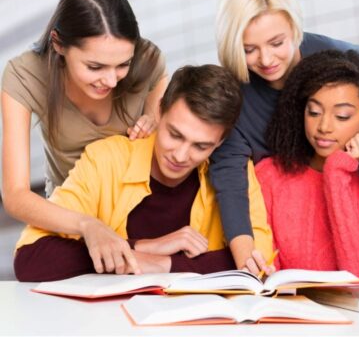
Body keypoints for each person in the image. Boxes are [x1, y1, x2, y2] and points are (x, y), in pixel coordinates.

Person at [13, 65, 273, 282]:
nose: (181, 155)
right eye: (175, 134)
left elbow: (256, 263)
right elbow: (31, 259)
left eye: (200, 146)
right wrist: (139, 249)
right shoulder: (106, 159)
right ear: (159, 111)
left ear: (220, 142)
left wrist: (163, 264)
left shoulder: (234, 172)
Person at [210, 0, 359, 272]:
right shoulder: (234, 96)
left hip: (348, 207)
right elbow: (229, 177)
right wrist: (246, 255)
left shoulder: (342, 59)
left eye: (277, 43)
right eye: (249, 49)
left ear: (294, 27)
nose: (266, 59)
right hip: (283, 228)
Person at [2, 0, 168, 275]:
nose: (111, 80)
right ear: (58, 43)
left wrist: (156, 120)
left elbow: (170, 144)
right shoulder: (25, 75)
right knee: (35, 263)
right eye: (95, 67)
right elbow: (15, 194)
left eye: (123, 65)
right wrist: (87, 225)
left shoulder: (148, 61)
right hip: (71, 217)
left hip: (138, 212)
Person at [254, 50, 359, 280]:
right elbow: (266, 273)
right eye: (314, 112)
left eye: (342, 116)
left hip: (347, 304)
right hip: (281, 302)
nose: (324, 126)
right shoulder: (269, 174)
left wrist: (337, 172)